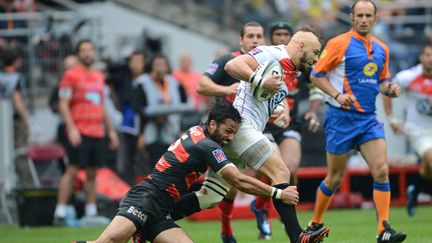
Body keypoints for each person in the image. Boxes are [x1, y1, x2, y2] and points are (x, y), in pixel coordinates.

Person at [173, 26, 329, 243]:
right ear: (301, 46)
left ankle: (157, 218)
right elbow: (232, 65)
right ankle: (297, 236)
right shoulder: (273, 53)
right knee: (281, 171)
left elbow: (259, 97)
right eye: (315, 52)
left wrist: (277, 112)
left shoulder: (289, 69)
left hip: (241, 130)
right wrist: (261, 81)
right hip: (242, 128)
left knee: (208, 198)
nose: (316, 58)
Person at [77, 97, 300, 243]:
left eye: (234, 132)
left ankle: (142, 232)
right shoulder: (206, 145)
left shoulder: (199, 132)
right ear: (213, 124)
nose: (231, 138)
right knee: (108, 242)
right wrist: (278, 193)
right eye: (228, 130)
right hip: (144, 199)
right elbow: (238, 181)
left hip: (161, 209)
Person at [304, 1, 406, 242]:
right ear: (351, 17)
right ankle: (314, 223)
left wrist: (389, 88)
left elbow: (382, 80)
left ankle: (383, 230)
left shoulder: (382, 48)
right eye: (359, 15)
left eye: (368, 15)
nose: (363, 19)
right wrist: (338, 95)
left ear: (374, 18)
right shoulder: (339, 43)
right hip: (341, 119)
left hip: (368, 119)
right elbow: (316, 75)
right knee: (335, 177)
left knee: (381, 170)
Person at [250, 20, 324, 240]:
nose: (282, 38)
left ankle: (287, 222)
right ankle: (266, 209)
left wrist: (312, 112)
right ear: (272, 38)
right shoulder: (266, 58)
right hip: (260, 125)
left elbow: (316, 89)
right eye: (278, 34)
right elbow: (237, 73)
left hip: (286, 123)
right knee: (231, 183)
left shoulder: (302, 67)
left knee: (289, 168)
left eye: (286, 34)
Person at [196, 21, 266, 242]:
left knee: (235, 185)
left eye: (259, 36)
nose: (255, 40)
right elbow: (201, 85)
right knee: (209, 187)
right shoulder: (228, 61)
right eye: (250, 36)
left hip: (247, 131)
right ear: (241, 40)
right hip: (218, 135)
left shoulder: (266, 64)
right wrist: (227, 89)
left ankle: (234, 225)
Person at [53, 39, 119, 225]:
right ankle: (60, 212)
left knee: (92, 172)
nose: (88, 53)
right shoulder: (70, 76)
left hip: (97, 131)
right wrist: (72, 128)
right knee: (72, 170)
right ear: (78, 54)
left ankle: (91, 212)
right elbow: (63, 104)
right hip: (79, 130)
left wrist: (111, 130)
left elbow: (102, 105)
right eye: (84, 50)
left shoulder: (99, 75)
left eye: (90, 50)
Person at [383, 43, 432, 217]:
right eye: (427, 54)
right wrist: (391, 119)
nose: (430, 59)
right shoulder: (409, 76)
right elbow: (387, 90)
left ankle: (416, 190)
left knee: (428, 169)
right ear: (421, 57)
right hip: (417, 129)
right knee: (431, 159)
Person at [132, 54, 188, 171]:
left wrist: (181, 129)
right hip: (150, 131)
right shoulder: (142, 83)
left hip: (171, 131)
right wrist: (141, 134)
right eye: (157, 65)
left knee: (170, 166)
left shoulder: (175, 83)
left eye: (163, 65)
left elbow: (183, 107)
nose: (160, 68)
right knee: (154, 166)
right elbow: (138, 108)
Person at [0, 47, 30, 184]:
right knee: (20, 152)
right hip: (14, 120)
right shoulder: (15, 78)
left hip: (2, 119)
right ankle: (24, 186)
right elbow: (17, 100)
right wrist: (26, 122)